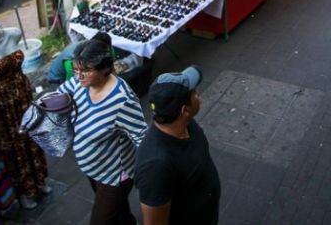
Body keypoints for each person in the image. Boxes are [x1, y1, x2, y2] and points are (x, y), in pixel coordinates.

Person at [57, 32, 148, 225]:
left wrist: (149, 176)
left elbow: (141, 136)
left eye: (85, 71)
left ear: (104, 69)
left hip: (115, 175)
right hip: (94, 168)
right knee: (119, 211)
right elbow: (60, 95)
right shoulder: (80, 82)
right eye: (75, 70)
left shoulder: (121, 100)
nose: (78, 76)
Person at [134, 66, 221, 225]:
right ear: (185, 109)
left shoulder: (185, 123)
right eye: (194, 92)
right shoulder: (155, 166)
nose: (198, 95)